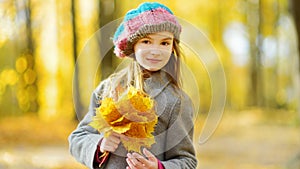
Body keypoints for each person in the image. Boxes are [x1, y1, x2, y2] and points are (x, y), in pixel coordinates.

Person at [68, 2, 197, 169]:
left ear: (173, 47)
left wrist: (158, 167)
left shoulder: (177, 101)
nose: (156, 50)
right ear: (132, 46)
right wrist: (99, 144)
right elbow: (78, 137)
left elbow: (187, 161)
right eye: (146, 41)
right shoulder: (107, 89)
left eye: (164, 43)